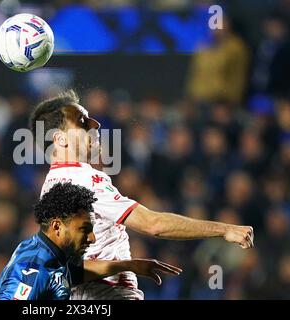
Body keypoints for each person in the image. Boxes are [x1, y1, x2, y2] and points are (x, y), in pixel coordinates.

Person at [29, 90, 254, 300]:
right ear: (60, 139)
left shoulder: (52, 184)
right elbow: (153, 224)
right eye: (82, 121)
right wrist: (224, 230)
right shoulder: (83, 180)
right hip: (104, 292)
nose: (95, 124)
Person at [0, 182, 181, 300]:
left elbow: (73, 273)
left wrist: (128, 265)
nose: (92, 238)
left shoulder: (50, 253)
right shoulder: (32, 270)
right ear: (57, 226)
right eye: (84, 229)